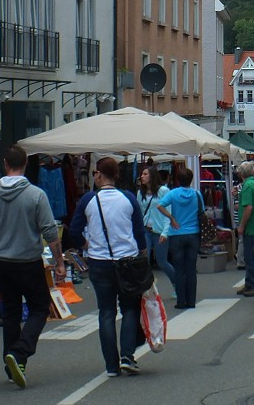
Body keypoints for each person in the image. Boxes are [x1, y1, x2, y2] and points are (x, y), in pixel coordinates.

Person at [0, 144, 65, 389]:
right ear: (26, 164)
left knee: (11, 312)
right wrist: (59, 261)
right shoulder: (36, 195)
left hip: (2, 263)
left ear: (4, 164)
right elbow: (50, 231)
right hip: (29, 261)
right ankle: (20, 353)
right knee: (39, 308)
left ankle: (11, 364)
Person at [69, 157, 147, 376]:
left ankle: (111, 366)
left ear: (99, 175)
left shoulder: (88, 200)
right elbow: (139, 234)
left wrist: (87, 246)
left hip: (99, 262)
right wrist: (142, 254)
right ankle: (127, 356)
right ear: (116, 175)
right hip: (128, 261)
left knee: (106, 312)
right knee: (130, 308)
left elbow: (73, 232)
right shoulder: (129, 198)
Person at [157, 166, 202, 309]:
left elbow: (160, 205)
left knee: (179, 268)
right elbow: (201, 211)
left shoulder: (173, 193)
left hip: (176, 234)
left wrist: (172, 218)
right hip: (193, 233)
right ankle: (191, 301)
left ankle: (181, 301)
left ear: (177, 179)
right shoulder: (197, 194)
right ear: (191, 179)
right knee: (191, 268)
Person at [137, 164, 176, 297]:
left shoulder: (164, 191)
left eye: (145, 174)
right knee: (144, 260)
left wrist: (165, 232)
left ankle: (177, 284)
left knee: (162, 261)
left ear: (152, 176)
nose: (142, 176)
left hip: (159, 230)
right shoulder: (140, 192)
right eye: (142, 174)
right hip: (145, 230)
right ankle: (146, 289)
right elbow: (139, 212)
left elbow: (168, 212)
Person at [235, 161, 254, 297]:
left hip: (250, 227)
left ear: (240, 173)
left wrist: (241, 225)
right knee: (251, 256)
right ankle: (249, 283)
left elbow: (248, 207)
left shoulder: (247, 186)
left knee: (250, 257)